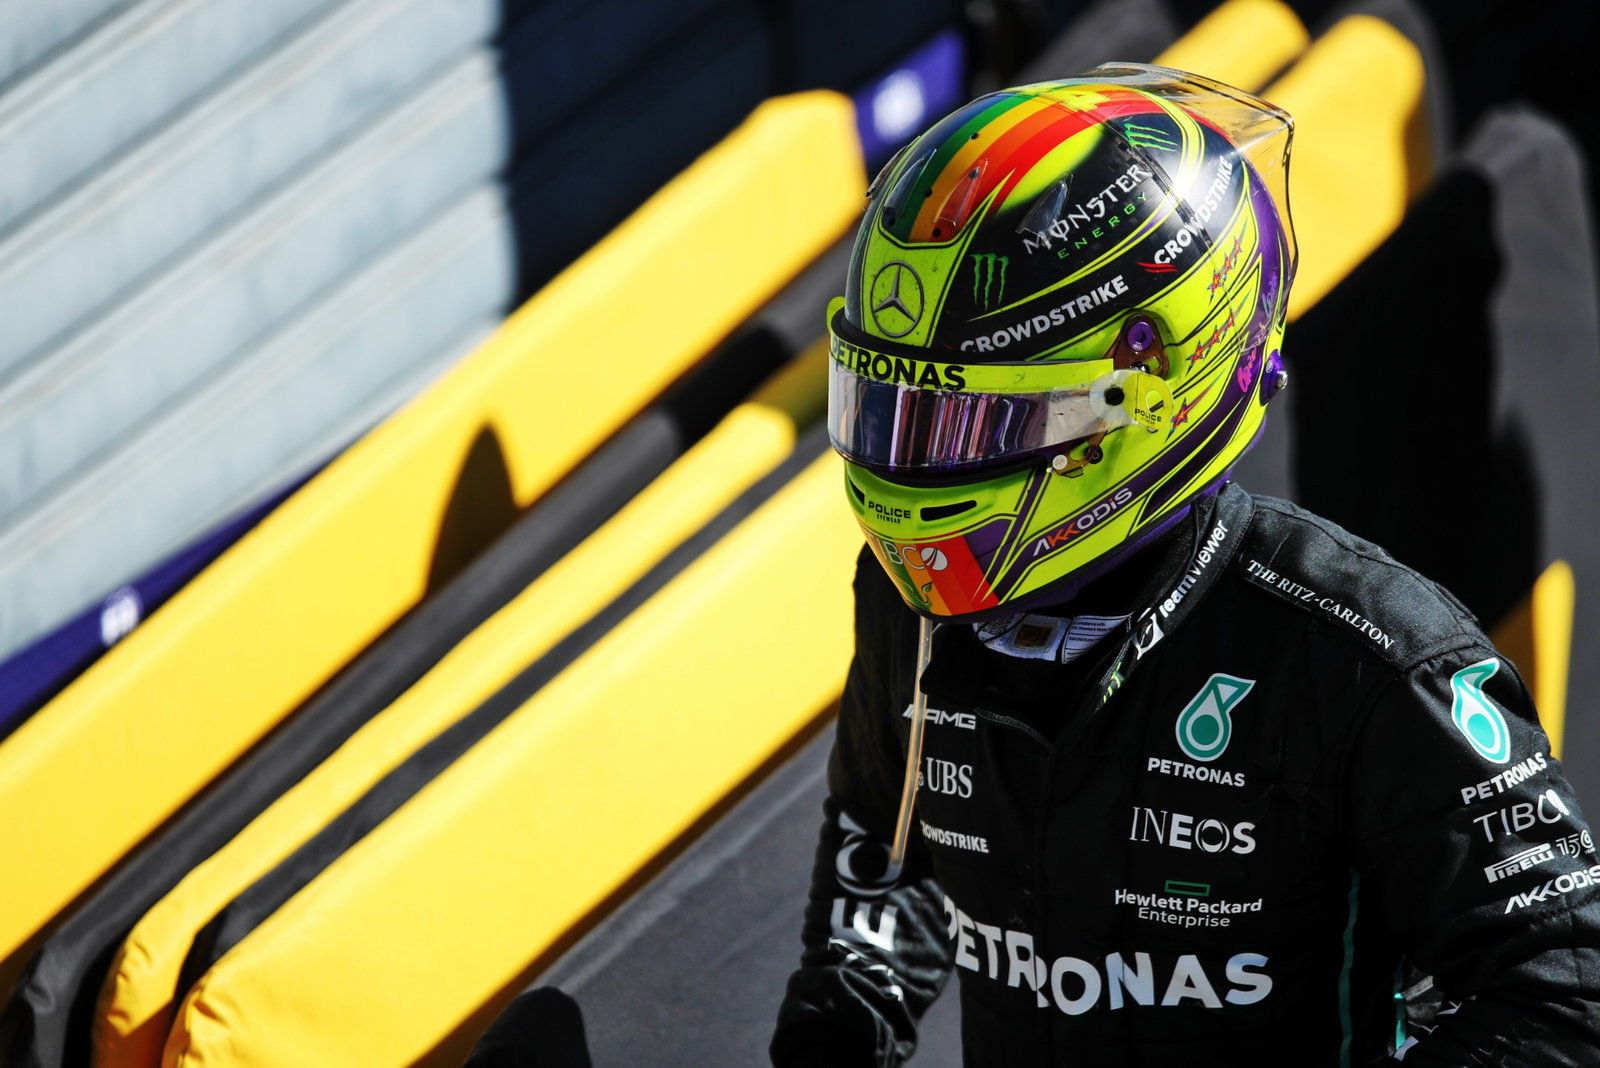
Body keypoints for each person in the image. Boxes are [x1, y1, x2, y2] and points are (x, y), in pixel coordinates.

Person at [770, 64, 1600, 1066]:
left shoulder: (1372, 659)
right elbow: (883, 849)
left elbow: (1560, 990)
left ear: (1146, 386)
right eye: (894, 414)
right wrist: (839, 1028)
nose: (918, 469)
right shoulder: (908, 605)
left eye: (976, 420)